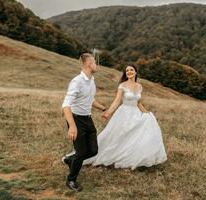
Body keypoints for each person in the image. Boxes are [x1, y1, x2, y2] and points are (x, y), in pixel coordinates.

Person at [83, 64, 167, 170]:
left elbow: (139, 103)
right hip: (124, 113)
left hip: (135, 113)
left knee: (134, 136)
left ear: (135, 72)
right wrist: (108, 112)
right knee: (118, 135)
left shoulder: (139, 86)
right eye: (127, 70)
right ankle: (106, 155)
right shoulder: (122, 85)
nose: (129, 72)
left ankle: (131, 158)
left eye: (131, 70)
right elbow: (117, 101)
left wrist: (147, 114)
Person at [61, 53, 107, 192]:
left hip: (88, 118)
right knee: (81, 152)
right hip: (76, 119)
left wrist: (103, 108)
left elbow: (89, 99)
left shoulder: (91, 80)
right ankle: (71, 180)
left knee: (93, 150)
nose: (96, 65)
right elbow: (66, 105)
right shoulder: (77, 82)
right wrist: (72, 126)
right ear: (89, 64)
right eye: (94, 63)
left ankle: (70, 160)